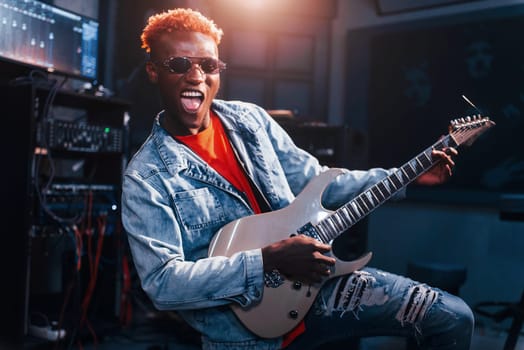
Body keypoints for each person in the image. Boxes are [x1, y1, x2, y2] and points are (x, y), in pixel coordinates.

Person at [121, 7, 474, 350]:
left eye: (208, 65)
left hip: (318, 287)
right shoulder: (146, 176)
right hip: (242, 332)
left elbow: (318, 182)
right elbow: (162, 283)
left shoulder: (250, 121)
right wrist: (268, 260)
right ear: (153, 71)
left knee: (453, 317)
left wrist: (407, 178)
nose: (196, 76)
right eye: (180, 64)